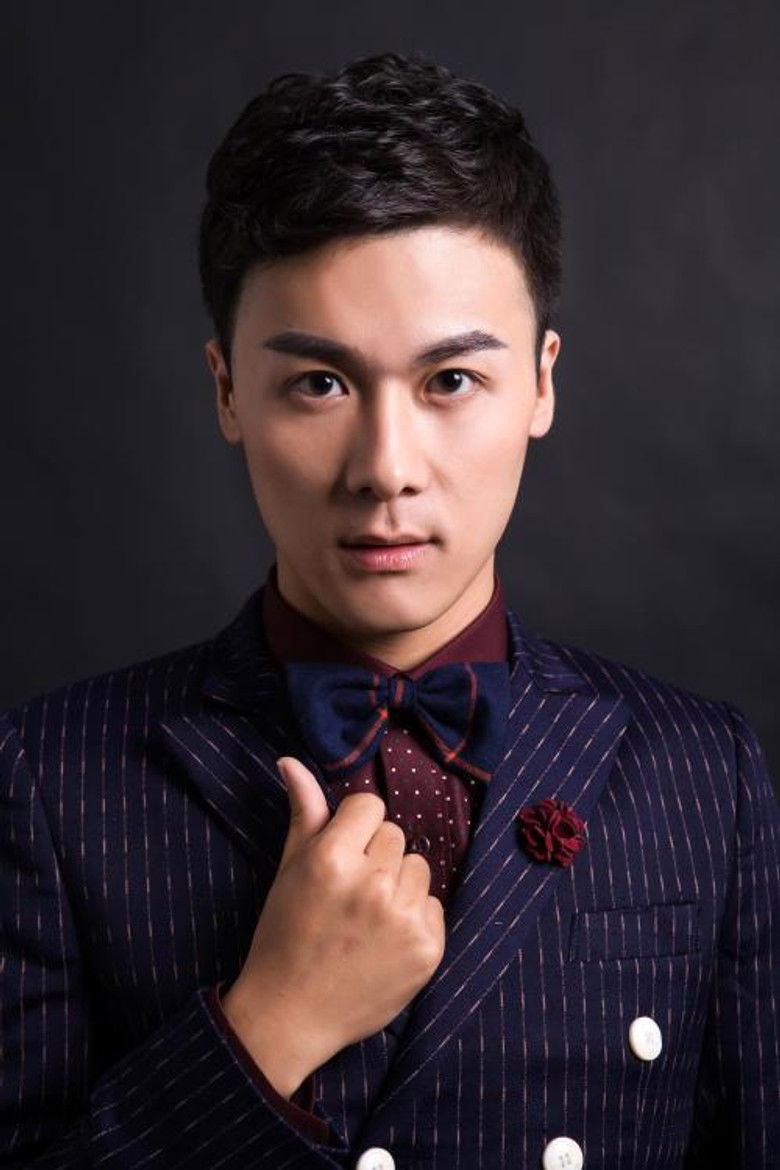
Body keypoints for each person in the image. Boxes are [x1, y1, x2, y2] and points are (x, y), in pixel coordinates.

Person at [1, 50, 778, 1170]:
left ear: (542, 382)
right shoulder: (50, 778)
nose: (385, 469)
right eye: (319, 383)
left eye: (451, 381)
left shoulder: (704, 774)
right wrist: (270, 1027)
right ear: (227, 390)